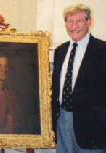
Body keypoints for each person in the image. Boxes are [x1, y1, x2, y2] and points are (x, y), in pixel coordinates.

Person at [52, 4, 106, 153]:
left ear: (89, 23)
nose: (74, 26)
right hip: (62, 122)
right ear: (65, 24)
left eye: (79, 21)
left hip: (92, 128)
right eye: (70, 21)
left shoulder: (102, 50)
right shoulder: (60, 51)